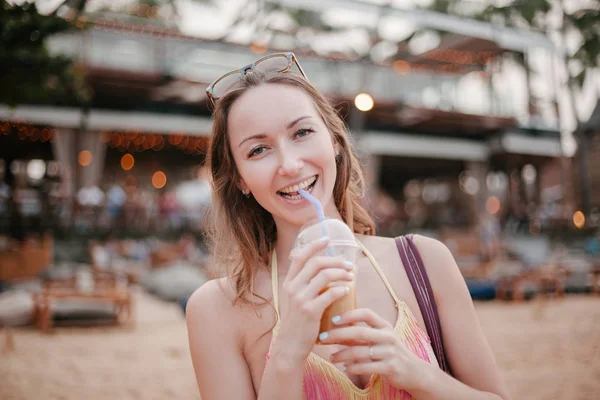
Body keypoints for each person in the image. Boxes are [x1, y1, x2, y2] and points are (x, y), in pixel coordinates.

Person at [186, 52, 510, 400]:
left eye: (302, 132)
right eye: (259, 150)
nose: (291, 165)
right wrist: (287, 353)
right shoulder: (217, 309)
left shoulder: (425, 262)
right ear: (239, 180)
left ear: (335, 143)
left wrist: (417, 374)